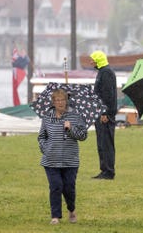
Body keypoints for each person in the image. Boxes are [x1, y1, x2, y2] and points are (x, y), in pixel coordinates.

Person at [38, 89, 88, 225]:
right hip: (51, 160)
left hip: (70, 160)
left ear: (66, 101)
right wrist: (46, 149)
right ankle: (55, 216)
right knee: (56, 186)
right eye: (57, 100)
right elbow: (42, 136)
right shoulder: (47, 117)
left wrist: (71, 128)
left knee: (69, 188)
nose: (60, 103)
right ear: (53, 102)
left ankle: (71, 210)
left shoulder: (75, 116)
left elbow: (83, 136)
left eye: (62, 100)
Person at [90, 50, 117, 180]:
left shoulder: (106, 72)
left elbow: (108, 94)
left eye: (93, 59)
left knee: (106, 143)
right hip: (100, 112)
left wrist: (105, 112)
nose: (91, 61)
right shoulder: (102, 72)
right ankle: (104, 169)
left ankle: (108, 171)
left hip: (105, 114)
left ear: (98, 59)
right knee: (101, 143)